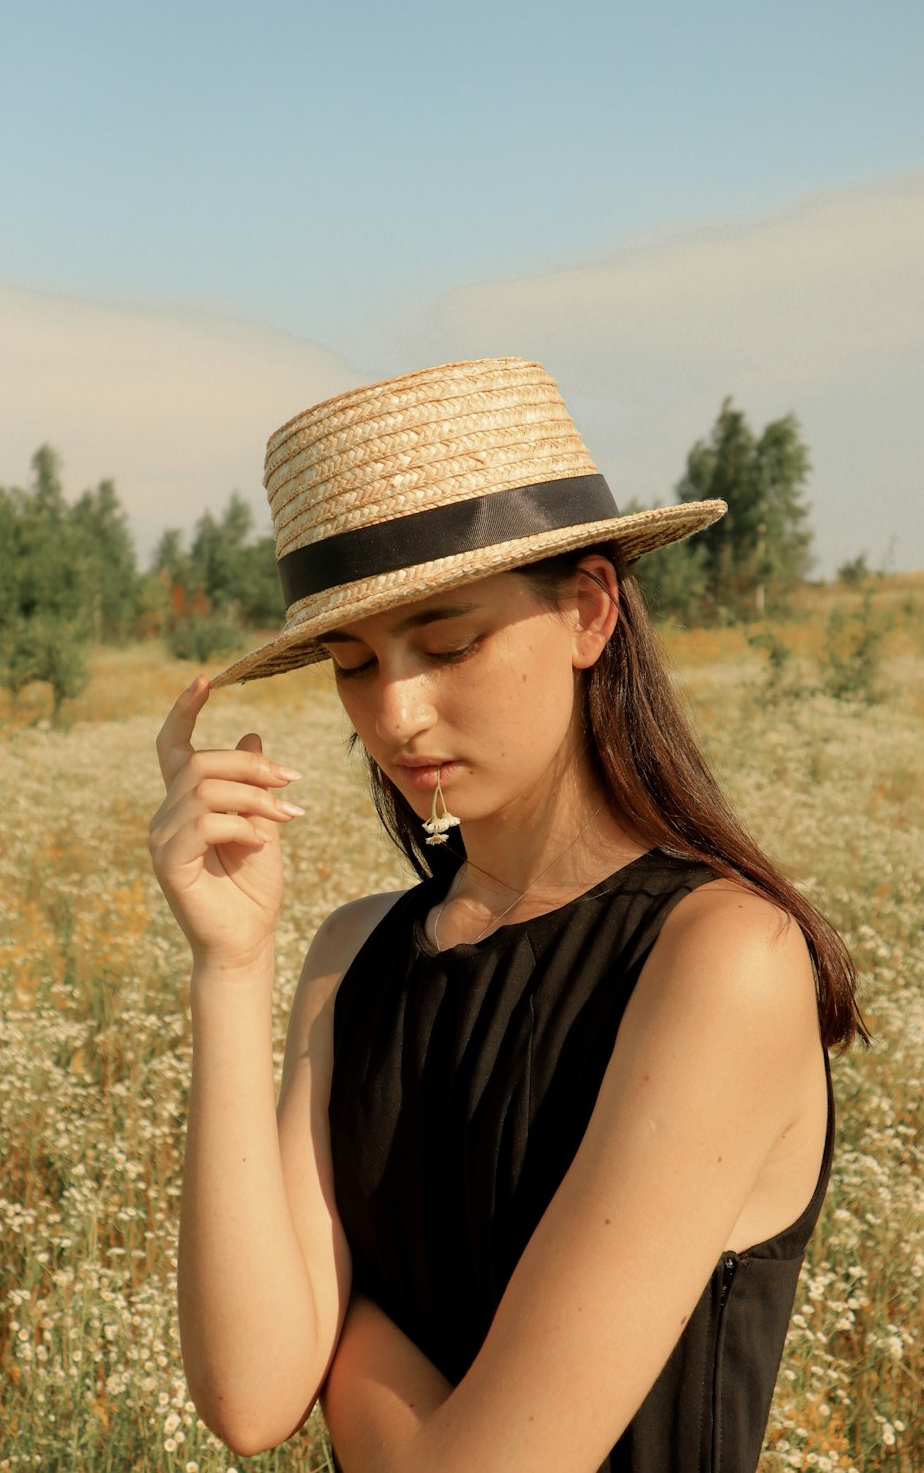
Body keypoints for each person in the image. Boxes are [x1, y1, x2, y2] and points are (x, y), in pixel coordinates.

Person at [149, 358, 865, 1473]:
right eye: (351, 662)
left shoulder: (721, 960)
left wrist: (350, 1335)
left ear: (588, 611)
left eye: (447, 644)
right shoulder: (355, 954)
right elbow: (246, 1398)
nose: (395, 709)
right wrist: (230, 964)